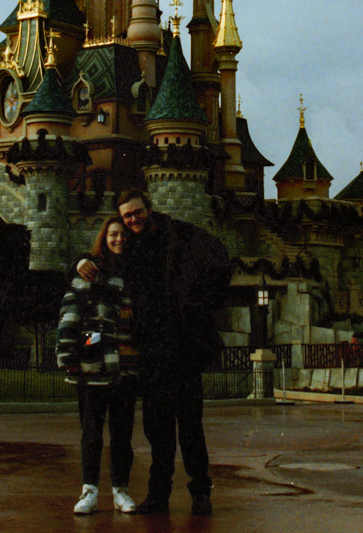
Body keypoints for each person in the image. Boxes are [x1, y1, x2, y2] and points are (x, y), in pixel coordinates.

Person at [77, 188, 232, 517]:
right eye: (126, 216)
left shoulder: (179, 233)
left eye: (136, 212)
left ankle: (200, 492)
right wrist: (80, 261)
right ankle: (158, 495)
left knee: (190, 426)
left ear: (148, 208)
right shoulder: (129, 246)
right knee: (158, 429)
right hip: (149, 350)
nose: (132, 219)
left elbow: (220, 258)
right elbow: (100, 261)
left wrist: (202, 307)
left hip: (182, 346)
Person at [56, 215, 139, 515]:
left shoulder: (136, 274)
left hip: (127, 365)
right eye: (114, 235)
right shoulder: (90, 270)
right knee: (91, 431)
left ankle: (121, 490)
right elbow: (71, 312)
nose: (119, 240)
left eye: (124, 236)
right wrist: (68, 356)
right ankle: (89, 490)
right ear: (104, 238)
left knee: (122, 433)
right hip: (93, 365)